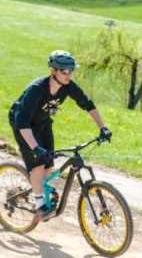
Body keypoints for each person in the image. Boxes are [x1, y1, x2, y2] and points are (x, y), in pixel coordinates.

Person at [8, 50, 112, 222]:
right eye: (64, 71)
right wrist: (35, 147)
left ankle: (41, 190)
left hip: (42, 122)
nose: (68, 75)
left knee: (49, 162)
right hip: (23, 124)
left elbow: (87, 104)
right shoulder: (37, 89)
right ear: (53, 71)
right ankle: (39, 204)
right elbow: (22, 121)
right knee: (39, 163)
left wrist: (103, 128)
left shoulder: (68, 86)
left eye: (71, 71)